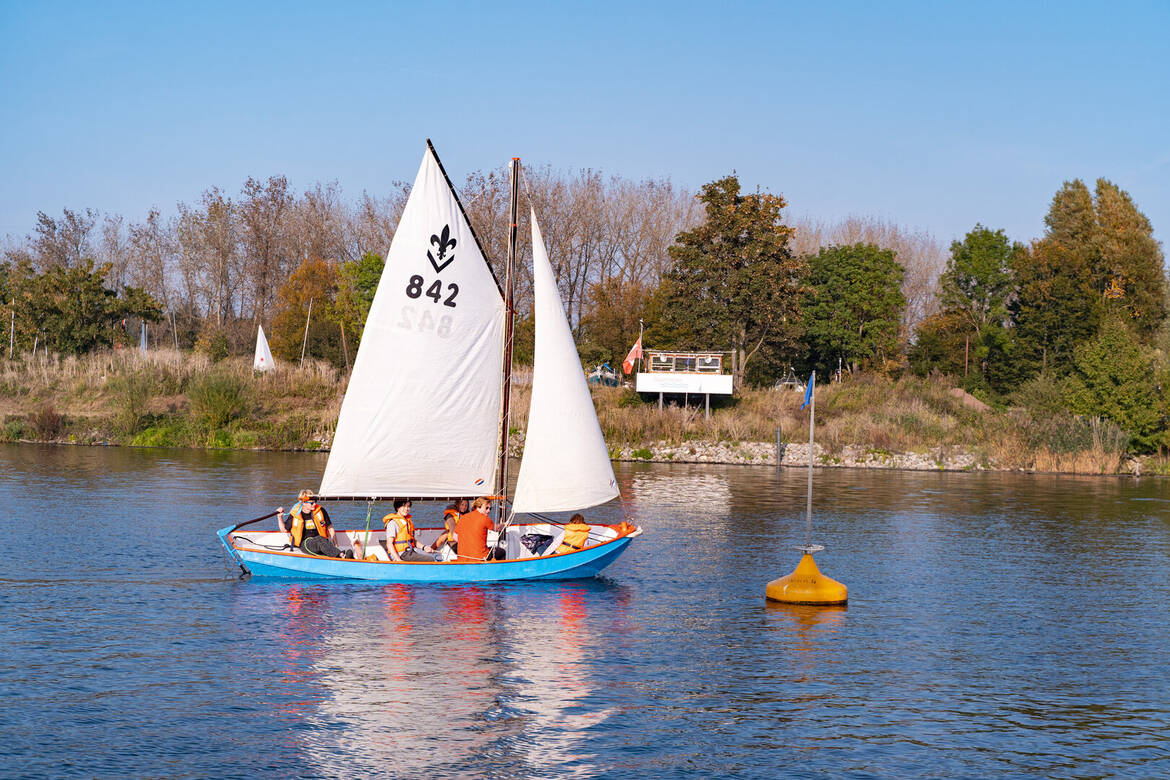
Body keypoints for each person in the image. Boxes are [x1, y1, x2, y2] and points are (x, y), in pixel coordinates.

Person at [280, 490, 353, 558]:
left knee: (321, 540)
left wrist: (336, 546)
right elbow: (283, 529)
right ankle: (341, 555)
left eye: (315, 501)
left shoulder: (321, 511)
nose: (314, 504)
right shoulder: (295, 514)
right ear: (304, 503)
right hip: (305, 543)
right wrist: (279, 517)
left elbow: (330, 529)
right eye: (311, 503)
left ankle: (345, 557)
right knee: (319, 540)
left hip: (322, 541)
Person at [455, 496, 496, 561]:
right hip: (480, 558)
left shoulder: (463, 518)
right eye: (486, 508)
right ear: (478, 506)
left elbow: (454, 537)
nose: (488, 511)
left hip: (462, 559)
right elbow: (496, 528)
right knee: (501, 552)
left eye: (490, 509)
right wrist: (503, 525)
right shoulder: (485, 518)